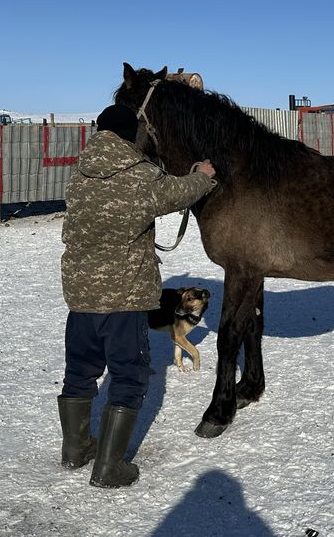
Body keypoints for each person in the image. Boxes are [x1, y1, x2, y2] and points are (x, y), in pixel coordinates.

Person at [57, 101, 216, 489]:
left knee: (80, 371)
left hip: (81, 295)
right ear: (133, 134)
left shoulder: (79, 172)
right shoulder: (141, 174)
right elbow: (177, 193)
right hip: (124, 297)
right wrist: (203, 176)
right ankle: (109, 468)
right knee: (129, 375)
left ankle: (76, 449)